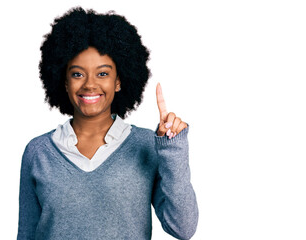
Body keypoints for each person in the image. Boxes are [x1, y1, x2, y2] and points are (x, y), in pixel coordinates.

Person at [17, 7, 198, 240]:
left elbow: (183, 228)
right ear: (63, 81)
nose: (90, 85)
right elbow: (26, 234)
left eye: (102, 74)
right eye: (77, 74)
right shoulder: (38, 151)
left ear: (119, 81)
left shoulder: (146, 145)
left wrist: (172, 147)